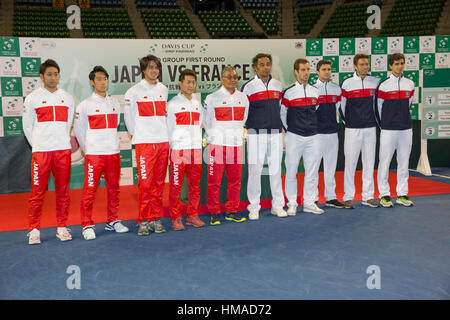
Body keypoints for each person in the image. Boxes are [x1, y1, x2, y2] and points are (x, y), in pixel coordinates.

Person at [73, 66, 129, 240]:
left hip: (113, 153)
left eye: (105, 79)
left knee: (114, 190)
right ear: (92, 82)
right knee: (90, 191)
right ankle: (87, 224)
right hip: (94, 155)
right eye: (98, 79)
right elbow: (79, 130)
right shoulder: (84, 105)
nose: (102, 82)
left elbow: (115, 126)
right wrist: (89, 149)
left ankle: (112, 221)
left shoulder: (114, 103)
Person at [22, 59, 75, 244]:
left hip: (62, 151)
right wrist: (37, 146)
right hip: (41, 152)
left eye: (56, 74)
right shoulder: (32, 98)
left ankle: (61, 227)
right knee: (37, 193)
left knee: (62, 192)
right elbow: (27, 126)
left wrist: (61, 141)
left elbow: (68, 124)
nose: (53, 77)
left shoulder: (67, 98)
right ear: (42, 76)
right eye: (49, 74)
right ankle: (34, 230)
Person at [124, 54, 169, 236]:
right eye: (150, 67)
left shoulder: (163, 89)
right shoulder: (133, 92)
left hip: (162, 142)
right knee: (145, 184)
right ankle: (143, 219)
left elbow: (163, 116)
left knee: (158, 184)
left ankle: (156, 218)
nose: (154, 70)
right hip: (144, 144)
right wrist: (140, 136)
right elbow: (128, 119)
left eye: (156, 67)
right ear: (143, 70)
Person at [241, 53, 287, 220]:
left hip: (275, 133)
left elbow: (281, 110)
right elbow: (244, 112)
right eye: (262, 64)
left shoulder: (277, 85)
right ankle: (254, 207)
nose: (266, 67)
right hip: (255, 134)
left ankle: (278, 205)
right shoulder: (248, 87)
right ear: (255, 67)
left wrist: (283, 130)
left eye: (268, 64)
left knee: (275, 170)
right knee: (255, 171)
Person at [204, 65, 250, 225]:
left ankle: (232, 210)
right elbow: (206, 121)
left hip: (236, 145)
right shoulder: (212, 98)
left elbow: (244, 119)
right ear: (221, 79)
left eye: (235, 77)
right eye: (229, 77)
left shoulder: (244, 98)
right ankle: (214, 212)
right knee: (214, 182)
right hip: (216, 146)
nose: (233, 80)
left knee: (235, 181)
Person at [281, 58, 323, 215]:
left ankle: (309, 202)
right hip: (294, 136)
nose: (306, 73)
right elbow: (282, 114)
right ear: (296, 72)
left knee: (312, 172)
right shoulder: (288, 92)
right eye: (303, 70)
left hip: (312, 137)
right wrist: (289, 131)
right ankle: (292, 203)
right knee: (291, 171)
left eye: (308, 70)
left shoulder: (315, 91)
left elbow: (316, 109)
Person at [166, 69, 205, 230]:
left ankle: (192, 215)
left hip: (195, 150)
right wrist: (173, 147)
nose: (190, 85)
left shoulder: (197, 104)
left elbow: (200, 124)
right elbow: (168, 129)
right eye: (187, 82)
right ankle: (176, 218)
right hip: (179, 151)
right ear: (180, 84)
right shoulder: (172, 104)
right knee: (176, 186)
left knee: (195, 186)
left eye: (193, 82)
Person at [339, 54, 380, 209]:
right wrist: (348, 122)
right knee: (350, 163)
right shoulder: (347, 83)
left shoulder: (375, 82)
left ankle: (368, 196)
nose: (365, 67)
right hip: (352, 129)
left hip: (370, 128)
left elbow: (379, 104)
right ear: (355, 66)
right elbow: (341, 106)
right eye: (362, 64)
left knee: (369, 163)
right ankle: (348, 197)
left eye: (367, 64)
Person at [375, 53, 415, 207]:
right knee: (384, 162)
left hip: (406, 129)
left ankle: (402, 194)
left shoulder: (410, 84)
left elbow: (409, 103)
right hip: (388, 129)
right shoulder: (383, 85)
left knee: (404, 162)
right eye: (397, 64)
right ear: (391, 66)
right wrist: (384, 125)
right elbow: (377, 108)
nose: (400, 67)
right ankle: (384, 194)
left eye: (402, 63)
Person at [314, 60, 346, 209]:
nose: (327, 71)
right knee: (313, 168)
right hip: (316, 134)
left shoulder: (336, 89)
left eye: (329, 69)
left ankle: (331, 197)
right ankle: (312, 198)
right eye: (324, 69)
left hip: (333, 132)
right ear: (317, 72)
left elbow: (339, 109)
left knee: (330, 167)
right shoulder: (312, 89)